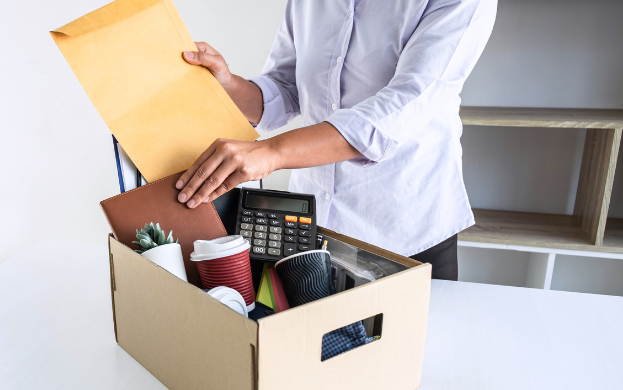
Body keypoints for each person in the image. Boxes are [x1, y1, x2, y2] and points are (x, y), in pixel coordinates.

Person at [174, 0, 497, 280]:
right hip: (313, 230)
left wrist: (272, 152)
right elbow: (285, 88)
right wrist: (228, 85)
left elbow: (401, 108)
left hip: (406, 228)